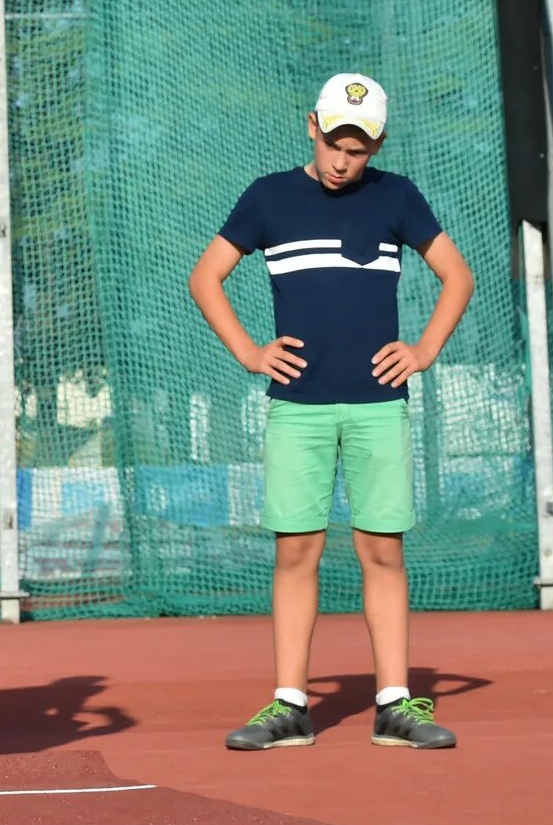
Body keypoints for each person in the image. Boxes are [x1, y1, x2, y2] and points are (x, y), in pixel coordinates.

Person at [187, 75, 474, 752]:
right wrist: (250, 352)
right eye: (336, 142)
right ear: (311, 125)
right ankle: (290, 704)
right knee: (297, 551)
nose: (345, 159)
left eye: (360, 148)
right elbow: (206, 276)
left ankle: (394, 703)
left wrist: (425, 348)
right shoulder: (268, 198)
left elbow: (457, 275)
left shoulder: (396, 196)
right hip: (298, 409)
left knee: (382, 549)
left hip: (379, 407)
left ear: (377, 144)